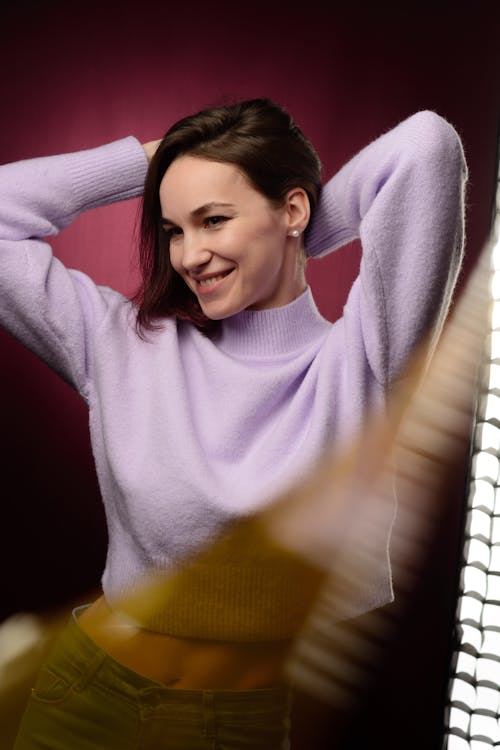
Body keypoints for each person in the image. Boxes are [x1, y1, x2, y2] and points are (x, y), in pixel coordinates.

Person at [2, 98, 466, 749]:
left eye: (213, 220)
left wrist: (293, 229)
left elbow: (426, 146)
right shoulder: (121, 344)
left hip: (233, 730)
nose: (189, 255)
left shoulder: (360, 364)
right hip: (84, 697)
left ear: (296, 209)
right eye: (172, 230)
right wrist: (152, 161)